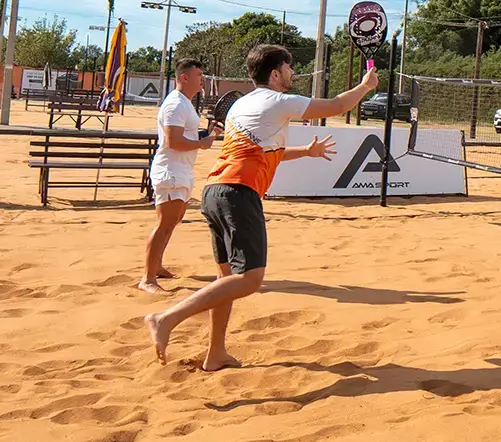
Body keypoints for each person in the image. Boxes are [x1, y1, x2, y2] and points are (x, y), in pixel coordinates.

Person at [144, 44, 379, 371]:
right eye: (289, 68)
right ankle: (166, 318)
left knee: (225, 280)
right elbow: (337, 105)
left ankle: (216, 353)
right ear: (275, 73)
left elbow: (264, 151)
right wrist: (366, 86)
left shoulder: (243, 104)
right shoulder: (278, 101)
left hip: (215, 191)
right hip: (239, 192)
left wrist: (305, 151)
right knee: (250, 279)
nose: (293, 73)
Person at [138, 59, 220, 294]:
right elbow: (173, 140)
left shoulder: (184, 103)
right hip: (171, 171)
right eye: (198, 75)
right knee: (165, 224)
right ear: (184, 77)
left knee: (172, 222)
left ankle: (157, 267)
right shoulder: (175, 104)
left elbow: (185, 135)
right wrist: (202, 144)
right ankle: (148, 279)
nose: (202, 79)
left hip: (181, 170)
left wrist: (204, 135)